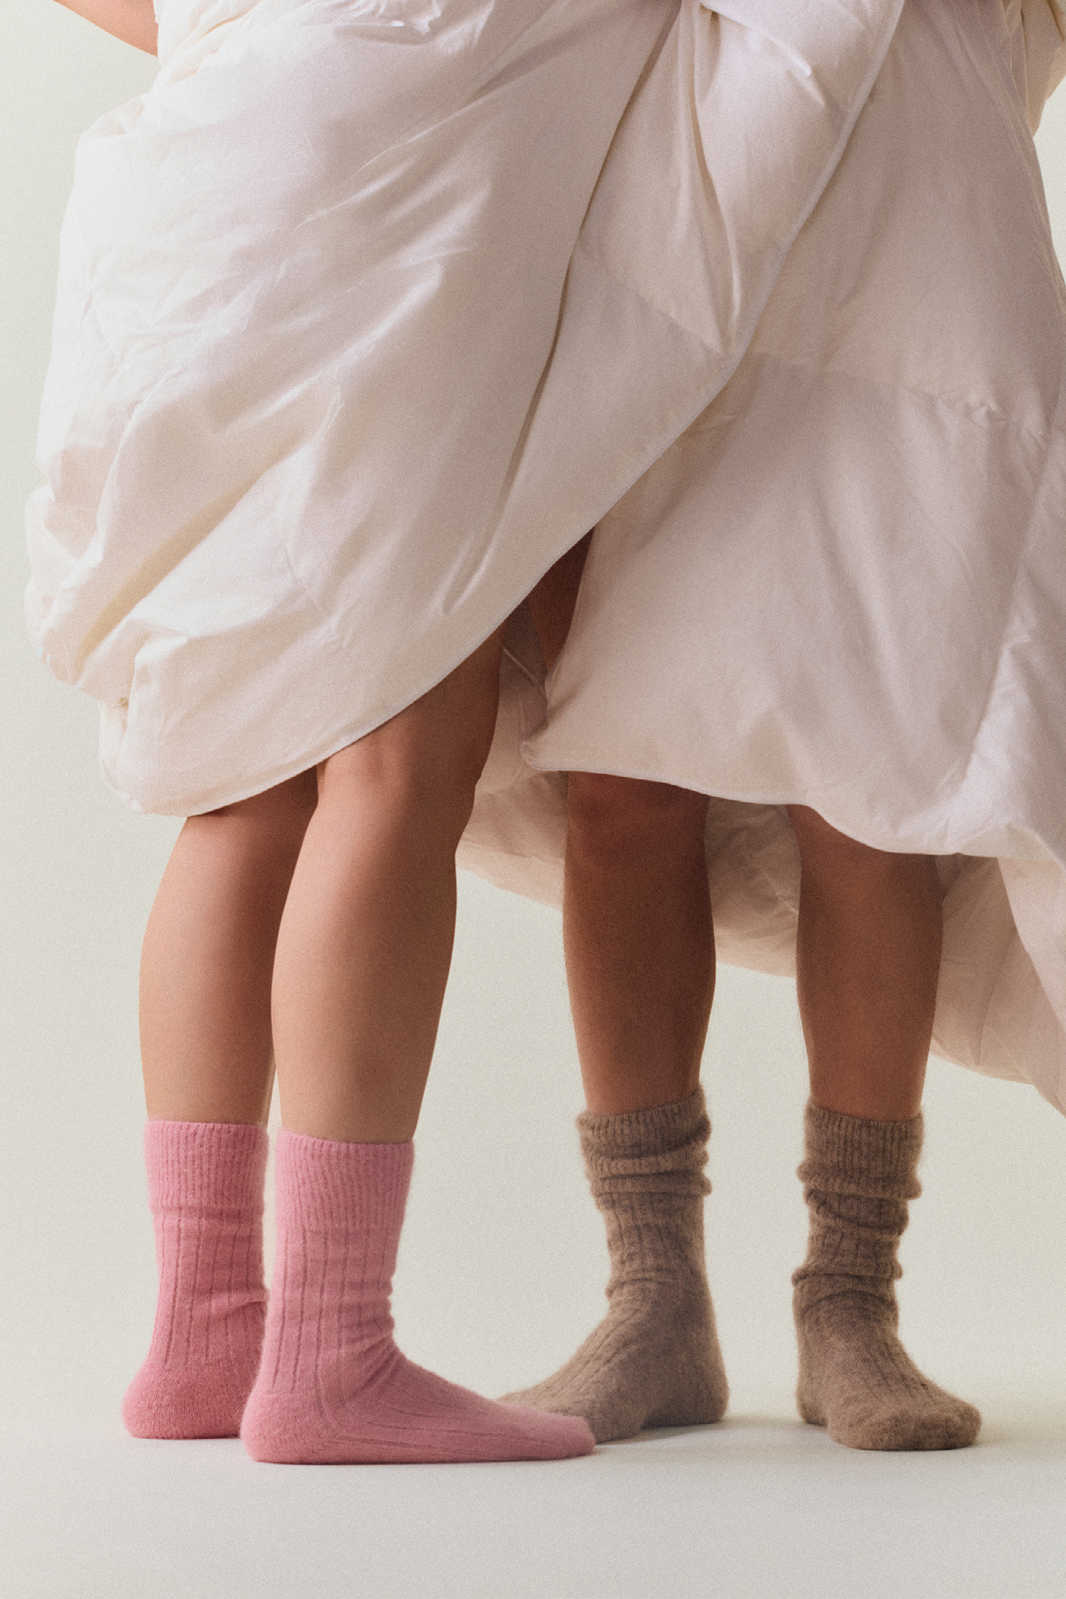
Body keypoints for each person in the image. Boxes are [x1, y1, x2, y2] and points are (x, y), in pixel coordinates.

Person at [34, 0, 910, 1463]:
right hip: (380, 212)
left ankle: (204, 1333)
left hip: (193, 189)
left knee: (238, 772)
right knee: (392, 750)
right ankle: (328, 1355)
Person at [459, 0, 1066, 1450]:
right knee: (620, 766)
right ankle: (651, 1293)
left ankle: (848, 1298)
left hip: (912, 200)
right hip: (665, 185)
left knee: (871, 773)